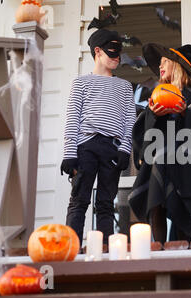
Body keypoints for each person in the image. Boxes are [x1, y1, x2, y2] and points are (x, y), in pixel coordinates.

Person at [128, 43, 191, 244]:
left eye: (165, 62)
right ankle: (158, 245)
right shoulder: (156, 97)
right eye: (160, 63)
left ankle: (182, 246)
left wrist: (185, 113)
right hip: (160, 161)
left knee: (182, 205)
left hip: (186, 165)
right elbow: (144, 131)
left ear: (177, 66)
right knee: (156, 198)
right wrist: (154, 116)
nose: (160, 67)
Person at [60, 28, 136, 248]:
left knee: (105, 202)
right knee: (79, 200)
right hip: (86, 147)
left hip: (112, 149)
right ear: (98, 51)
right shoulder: (81, 83)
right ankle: (71, 249)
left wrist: (124, 150)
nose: (117, 57)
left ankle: (105, 249)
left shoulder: (124, 87)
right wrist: (69, 154)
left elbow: (129, 121)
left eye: (119, 53)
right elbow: (73, 117)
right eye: (112, 51)